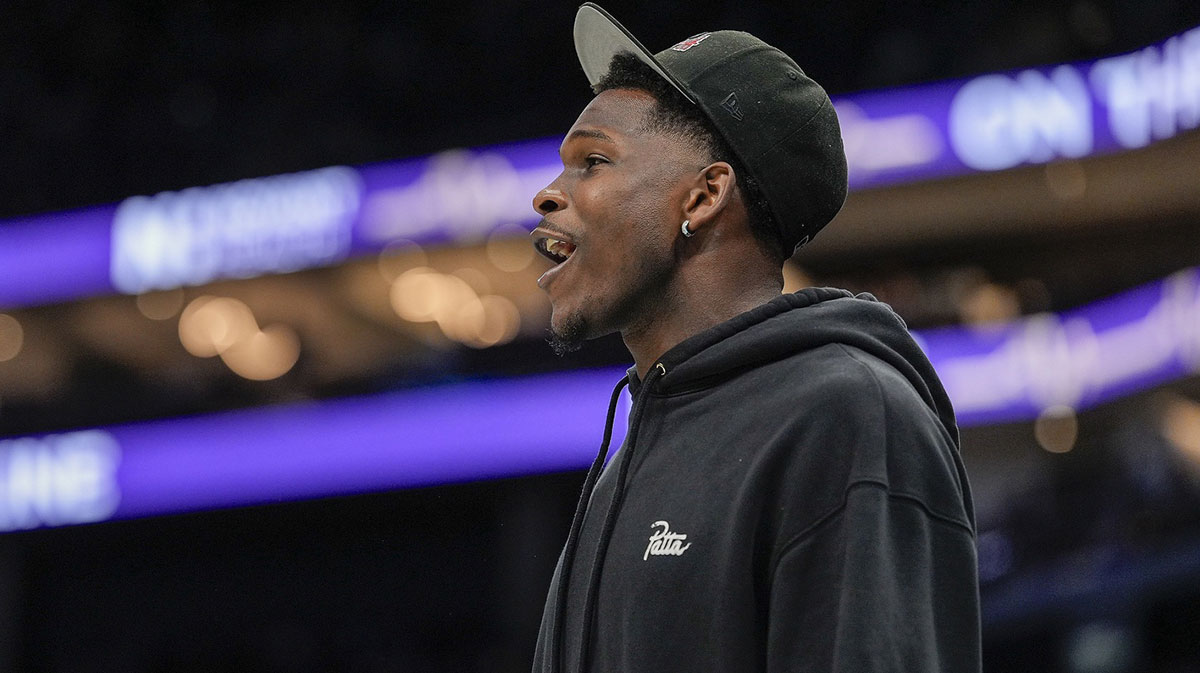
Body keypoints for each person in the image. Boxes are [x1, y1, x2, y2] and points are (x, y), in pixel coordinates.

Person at [528, 4, 981, 672]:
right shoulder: (619, 472)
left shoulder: (847, 414)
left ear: (703, 196)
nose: (546, 194)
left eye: (592, 161)